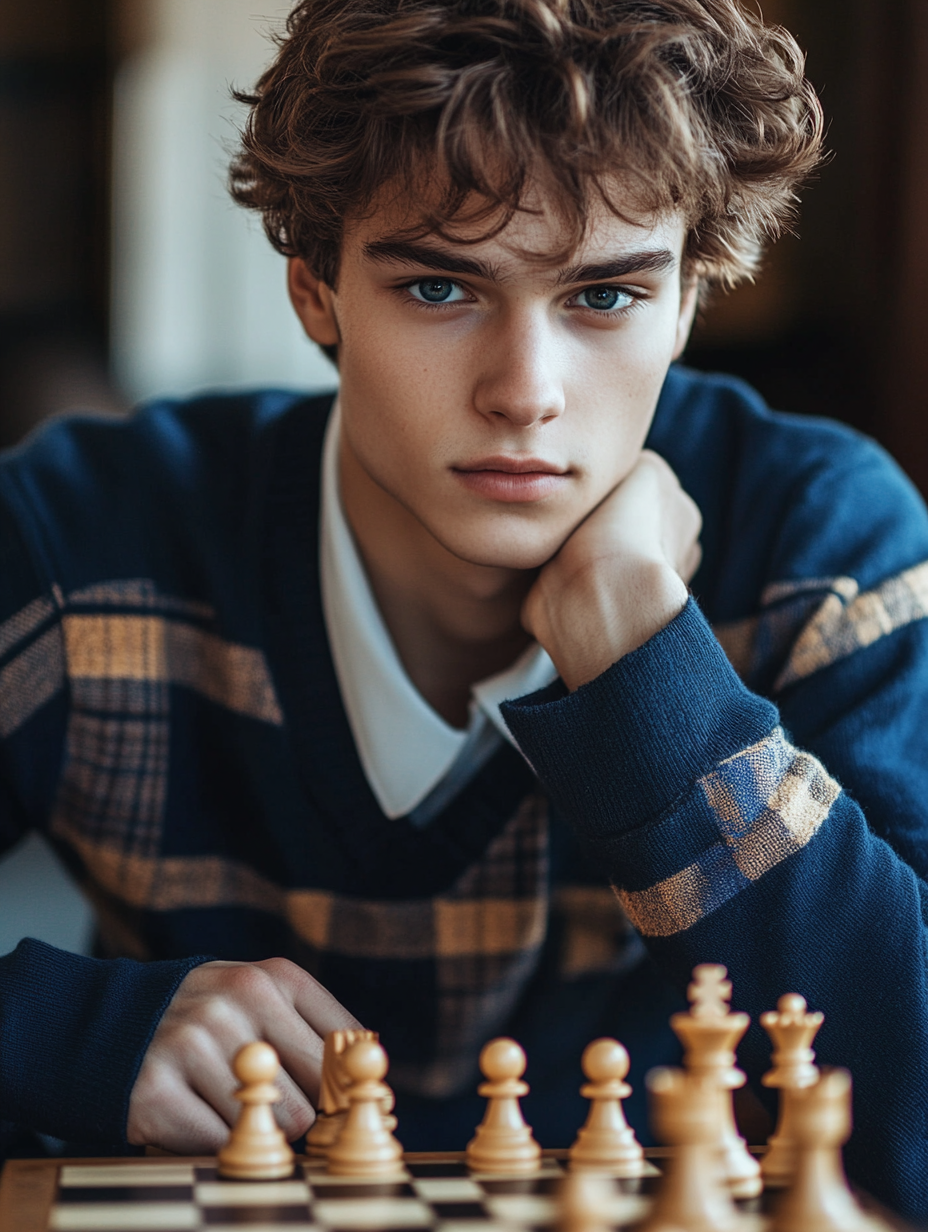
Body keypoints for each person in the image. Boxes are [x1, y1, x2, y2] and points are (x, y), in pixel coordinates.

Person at [0, 0, 926, 1217]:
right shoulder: (82, 544)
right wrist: (67, 1028)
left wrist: (647, 659)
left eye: (603, 298)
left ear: (690, 300)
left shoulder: (820, 540)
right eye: (440, 287)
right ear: (315, 289)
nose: (524, 393)